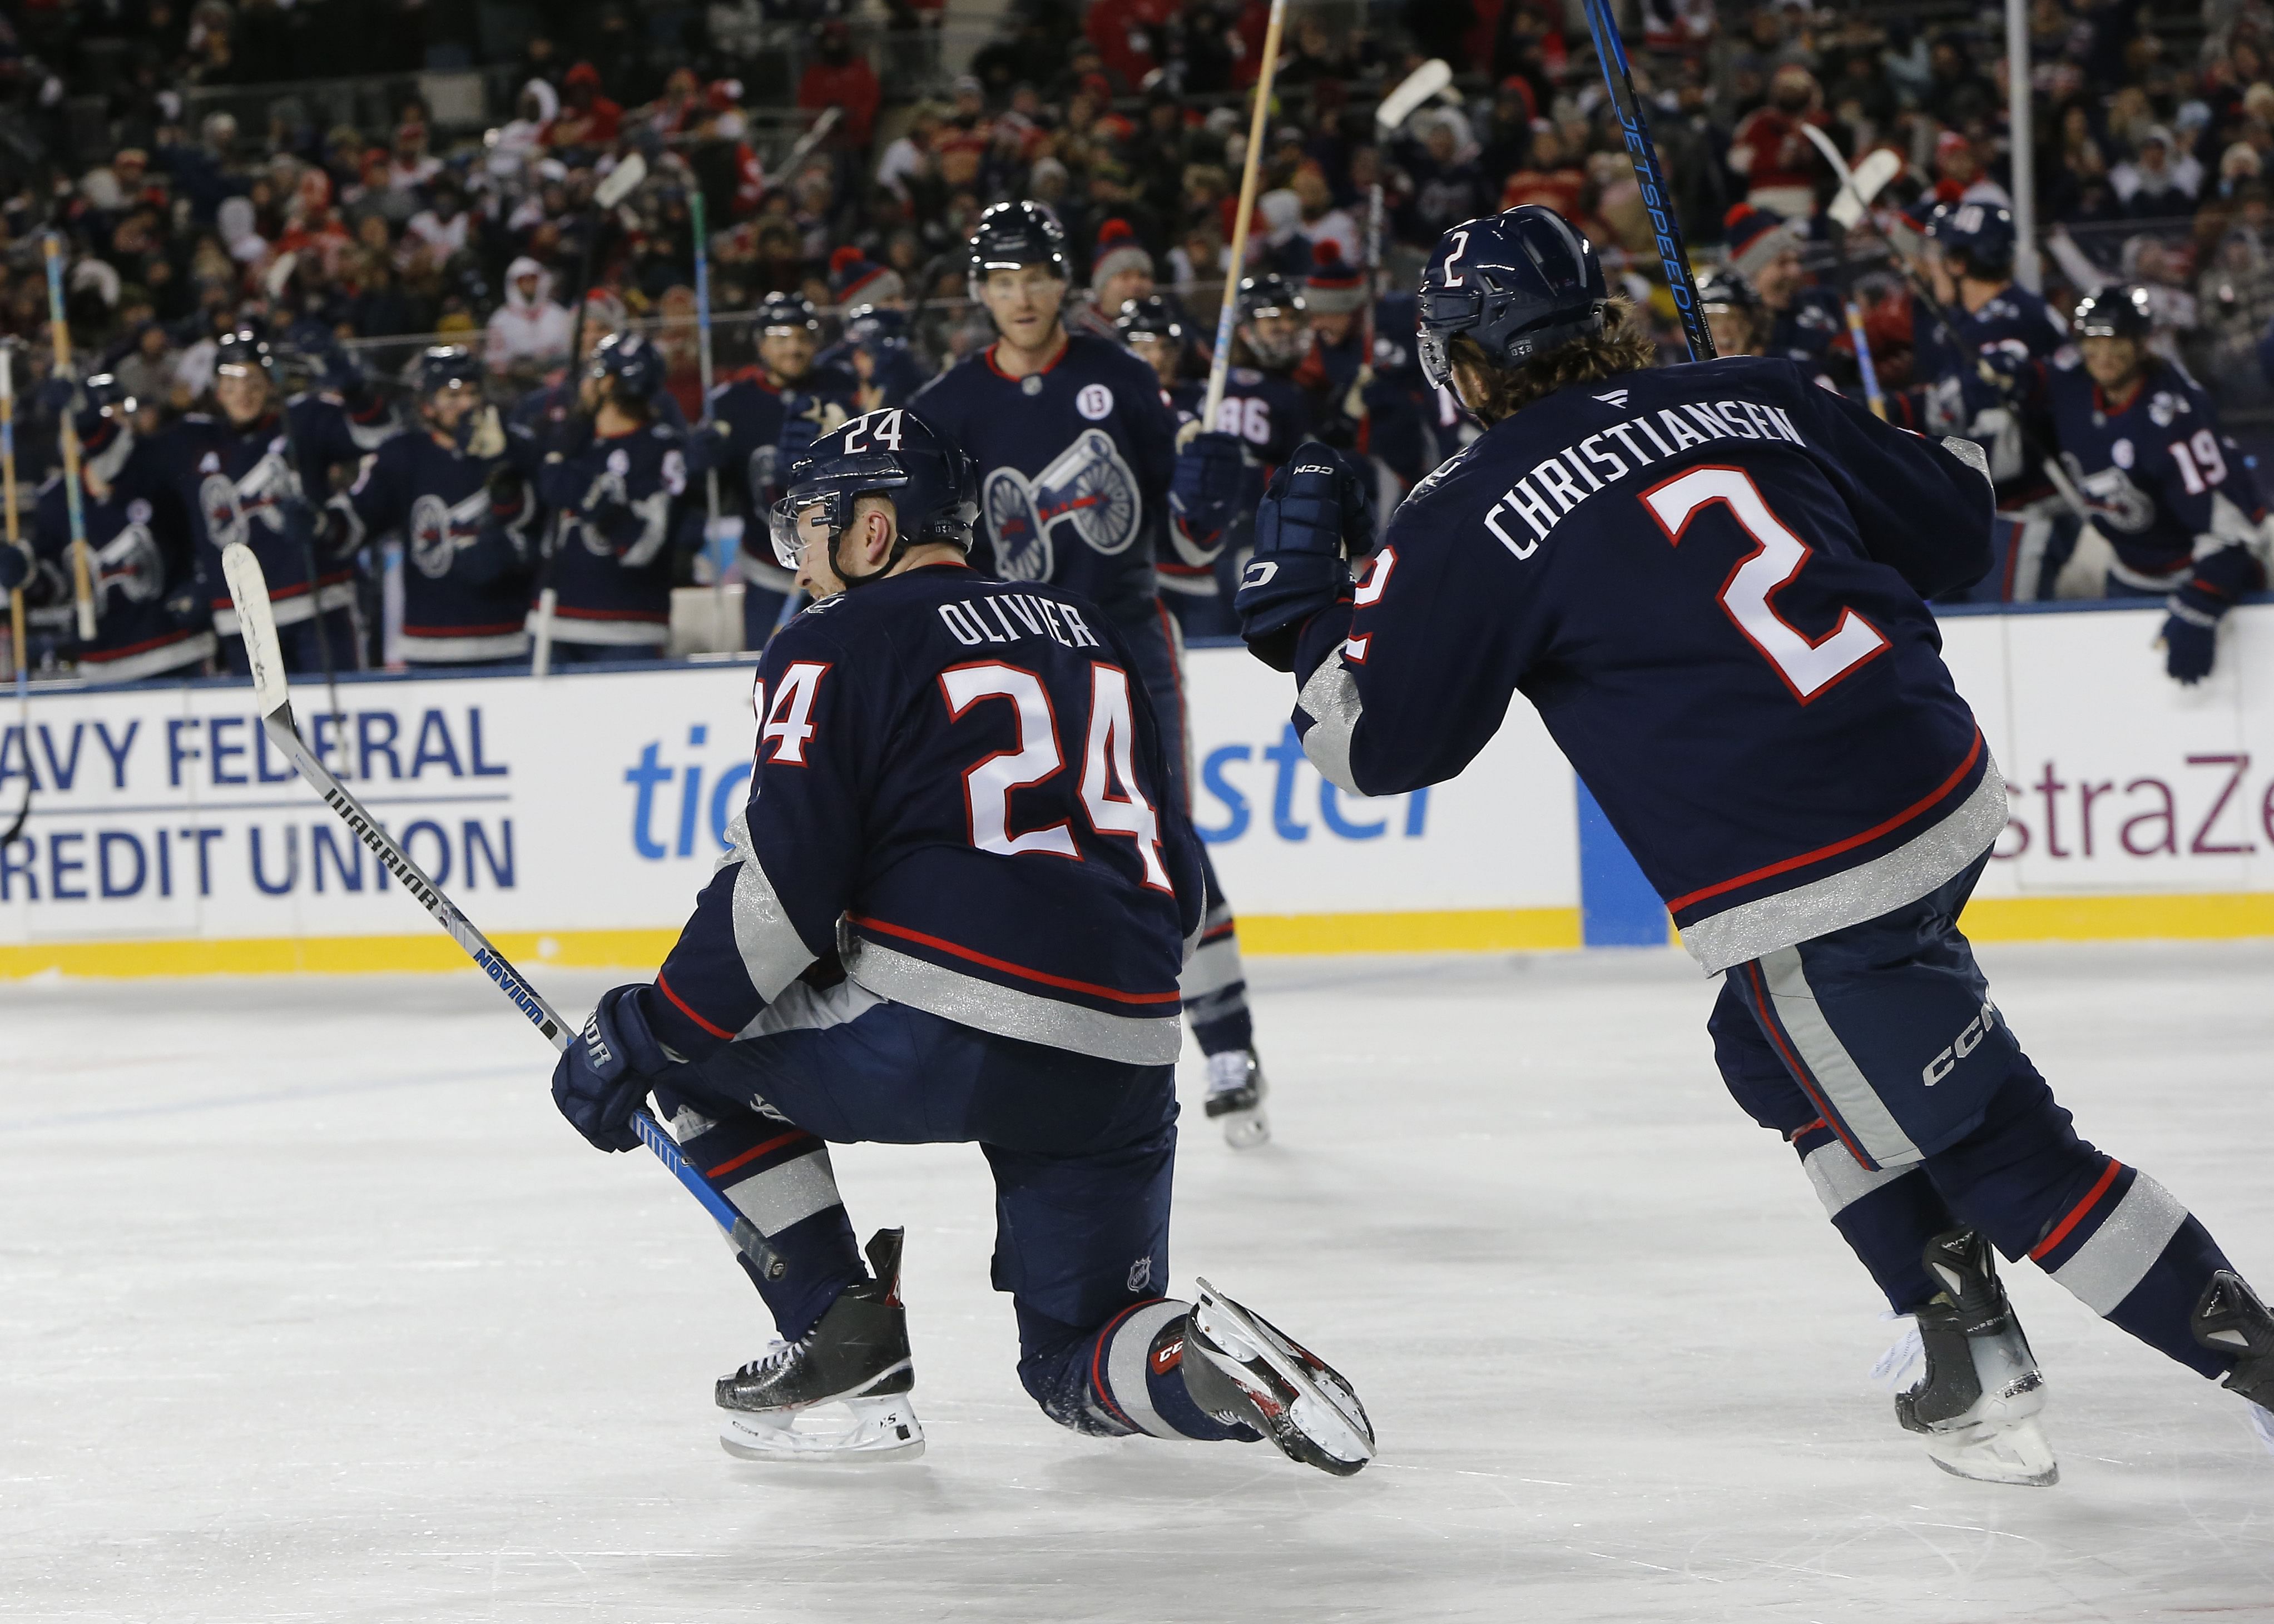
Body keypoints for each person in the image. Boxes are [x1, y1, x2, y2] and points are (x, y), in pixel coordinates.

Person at [1232, 204, 2274, 1486]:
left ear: (1460, 361)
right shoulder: (1753, 389)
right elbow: (1954, 523)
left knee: (2003, 1146)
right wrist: (1775, 410)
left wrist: (1307, 626)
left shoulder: (1468, 507)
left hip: (1807, 869)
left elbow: (1374, 749)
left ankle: (2219, 1366)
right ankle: (1958, 1328)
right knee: (1769, 1050)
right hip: (1939, 788)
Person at [546, 408, 1374, 1473]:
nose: (797, 557)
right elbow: (1179, 873)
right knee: (1072, 1362)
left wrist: (644, 1027)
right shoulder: (1094, 636)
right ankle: (1198, 1361)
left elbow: (781, 905)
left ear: (875, 532)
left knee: (693, 1061)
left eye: (811, 526)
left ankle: (836, 1338)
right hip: (1124, 1046)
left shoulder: (829, 642)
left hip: (945, 1028)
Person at [913, 201, 1275, 1147]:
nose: (1019, 296)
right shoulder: (947, 406)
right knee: (1029, 862)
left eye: (1034, 275)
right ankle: (1048, 1059)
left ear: (1063, 278)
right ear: (978, 291)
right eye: (1000, 280)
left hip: (1123, 651)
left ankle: (1227, 1043)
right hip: (1010, 668)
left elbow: (1185, 545)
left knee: (1161, 844)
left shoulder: (1118, 377)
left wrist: (1209, 501)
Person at [2034, 285, 2271, 678]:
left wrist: (2204, 600)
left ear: (2142, 344)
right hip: (2128, 569)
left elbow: (2235, 532)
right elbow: (2034, 376)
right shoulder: (2073, 385)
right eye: (2092, 341)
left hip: (2198, 571)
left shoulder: (2172, 416)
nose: (2103, 354)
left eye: (2117, 340)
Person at [161, 329, 360, 676]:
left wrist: (355, 391)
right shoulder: (191, 442)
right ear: (216, 390)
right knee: (265, 729)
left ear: (270, 384)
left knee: (333, 723)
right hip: (243, 621)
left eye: (253, 381)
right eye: (232, 383)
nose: (243, 394)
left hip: (317, 608)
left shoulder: (303, 421)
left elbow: (374, 436)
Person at [328, 346, 536, 668]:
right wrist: (320, 522)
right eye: (451, 395)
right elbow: (355, 525)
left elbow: (535, 530)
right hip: (429, 645)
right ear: (426, 405)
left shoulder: (517, 446)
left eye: (471, 393)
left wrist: (497, 465)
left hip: (508, 640)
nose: (465, 405)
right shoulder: (402, 456)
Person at [517, 331, 692, 663]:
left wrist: (593, 499)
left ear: (609, 384)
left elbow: (645, 544)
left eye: (594, 374)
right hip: (553, 622)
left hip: (628, 627)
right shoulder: (571, 440)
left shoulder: (662, 449)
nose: (584, 383)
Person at [1162, 272, 1321, 639]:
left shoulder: (1210, 389)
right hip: (1241, 537)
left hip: (1214, 541)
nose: (1284, 328)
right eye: (1272, 320)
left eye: (1289, 319)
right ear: (1246, 329)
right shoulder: (1280, 394)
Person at [24, 374, 213, 682]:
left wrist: (199, 585)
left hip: (174, 648)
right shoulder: (57, 499)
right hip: (101, 663)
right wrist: (26, 574)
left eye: (121, 414)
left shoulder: (156, 466)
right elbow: (54, 581)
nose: (113, 427)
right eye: (104, 419)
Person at [707, 292, 856, 645]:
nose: (793, 349)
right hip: (767, 571)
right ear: (761, 344)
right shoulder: (731, 403)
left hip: (841, 566)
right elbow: (708, 491)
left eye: (802, 338)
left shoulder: (842, 389)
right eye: (781, 338)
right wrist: (703, 463)